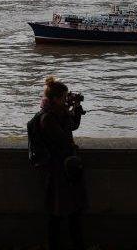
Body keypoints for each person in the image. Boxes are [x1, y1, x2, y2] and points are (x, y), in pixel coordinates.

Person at [37, 75, 87, 250]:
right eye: (65, 98)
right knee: (58, 214)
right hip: (59, 169)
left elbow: (72, 125)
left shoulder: (57, 113)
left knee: (70, 211)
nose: (67, 100)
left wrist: (75, 108)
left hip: (66, 168)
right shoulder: (47, 118)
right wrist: (68, 110)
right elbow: (64, 138)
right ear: (56, 99)